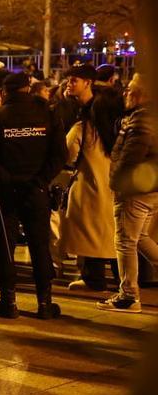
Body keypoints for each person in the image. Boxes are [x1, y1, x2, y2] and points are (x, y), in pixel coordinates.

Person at [0, 71, 66, 319]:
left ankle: (8, 301)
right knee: (40, 245)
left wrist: (8, 179)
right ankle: (45, 303)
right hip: (36, 190)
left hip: (4, 192)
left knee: (5, 246)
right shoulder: (48, 115)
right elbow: (60, 155)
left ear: (3, 93)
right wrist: (39, 180)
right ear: (29, 89)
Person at [62, 63, 122, 292]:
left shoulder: (89, 118)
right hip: (110, 179)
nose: (69, 84)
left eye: (74, 80)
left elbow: (68, 153)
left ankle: (96, 279)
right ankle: (117, 279)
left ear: (87, 82)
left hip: (93, 180)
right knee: (109, 232)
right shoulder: (103, 108)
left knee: (93, 230)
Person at [102, 72, 158, 313]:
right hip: (149, 189)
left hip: (134, 191)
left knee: (125, 242)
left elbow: (128, 158)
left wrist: (116, 184)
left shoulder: (141, 122)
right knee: (141, 238)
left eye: (130, 89)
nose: (125, 92)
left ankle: (128, 296)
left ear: (143, 95)